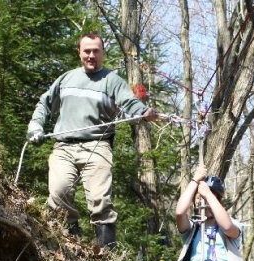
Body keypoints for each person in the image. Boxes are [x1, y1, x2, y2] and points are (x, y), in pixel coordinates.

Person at [26, 32, 158, 248]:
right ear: (79, 52)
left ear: (103, 53)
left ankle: (107, 257)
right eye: (86, 51)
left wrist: (144, 112)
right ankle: (69, 245)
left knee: (100, 201)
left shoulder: (113, 81)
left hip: (97, 147)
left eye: (96, 51)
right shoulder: (66, 79)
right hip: (64, 147)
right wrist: (35, 126)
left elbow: (129, 104)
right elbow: (44, 103)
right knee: (59, 193)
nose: (91, 55)